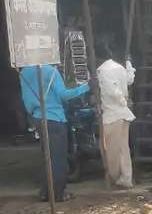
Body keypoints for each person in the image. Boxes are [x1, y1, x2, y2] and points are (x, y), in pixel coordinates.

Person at [19, 64, 90, 202]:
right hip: (54, 118)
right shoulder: (50, 71)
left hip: (38, 117)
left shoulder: (24, 73)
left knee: (47, 156)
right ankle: (59, 193)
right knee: (58, 158)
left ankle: (45, 192)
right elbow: (64, 95)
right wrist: (86, 87)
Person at [97, 43, 136, 189]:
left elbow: (112, 91)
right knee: (122, 148)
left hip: (112, 114)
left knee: (108, 149)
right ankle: (125, 177)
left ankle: (115, 176)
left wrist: (122, 101)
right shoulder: (118, 67)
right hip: (122, 113)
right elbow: (129, 79)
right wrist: (129, 63)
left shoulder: (103, 70)